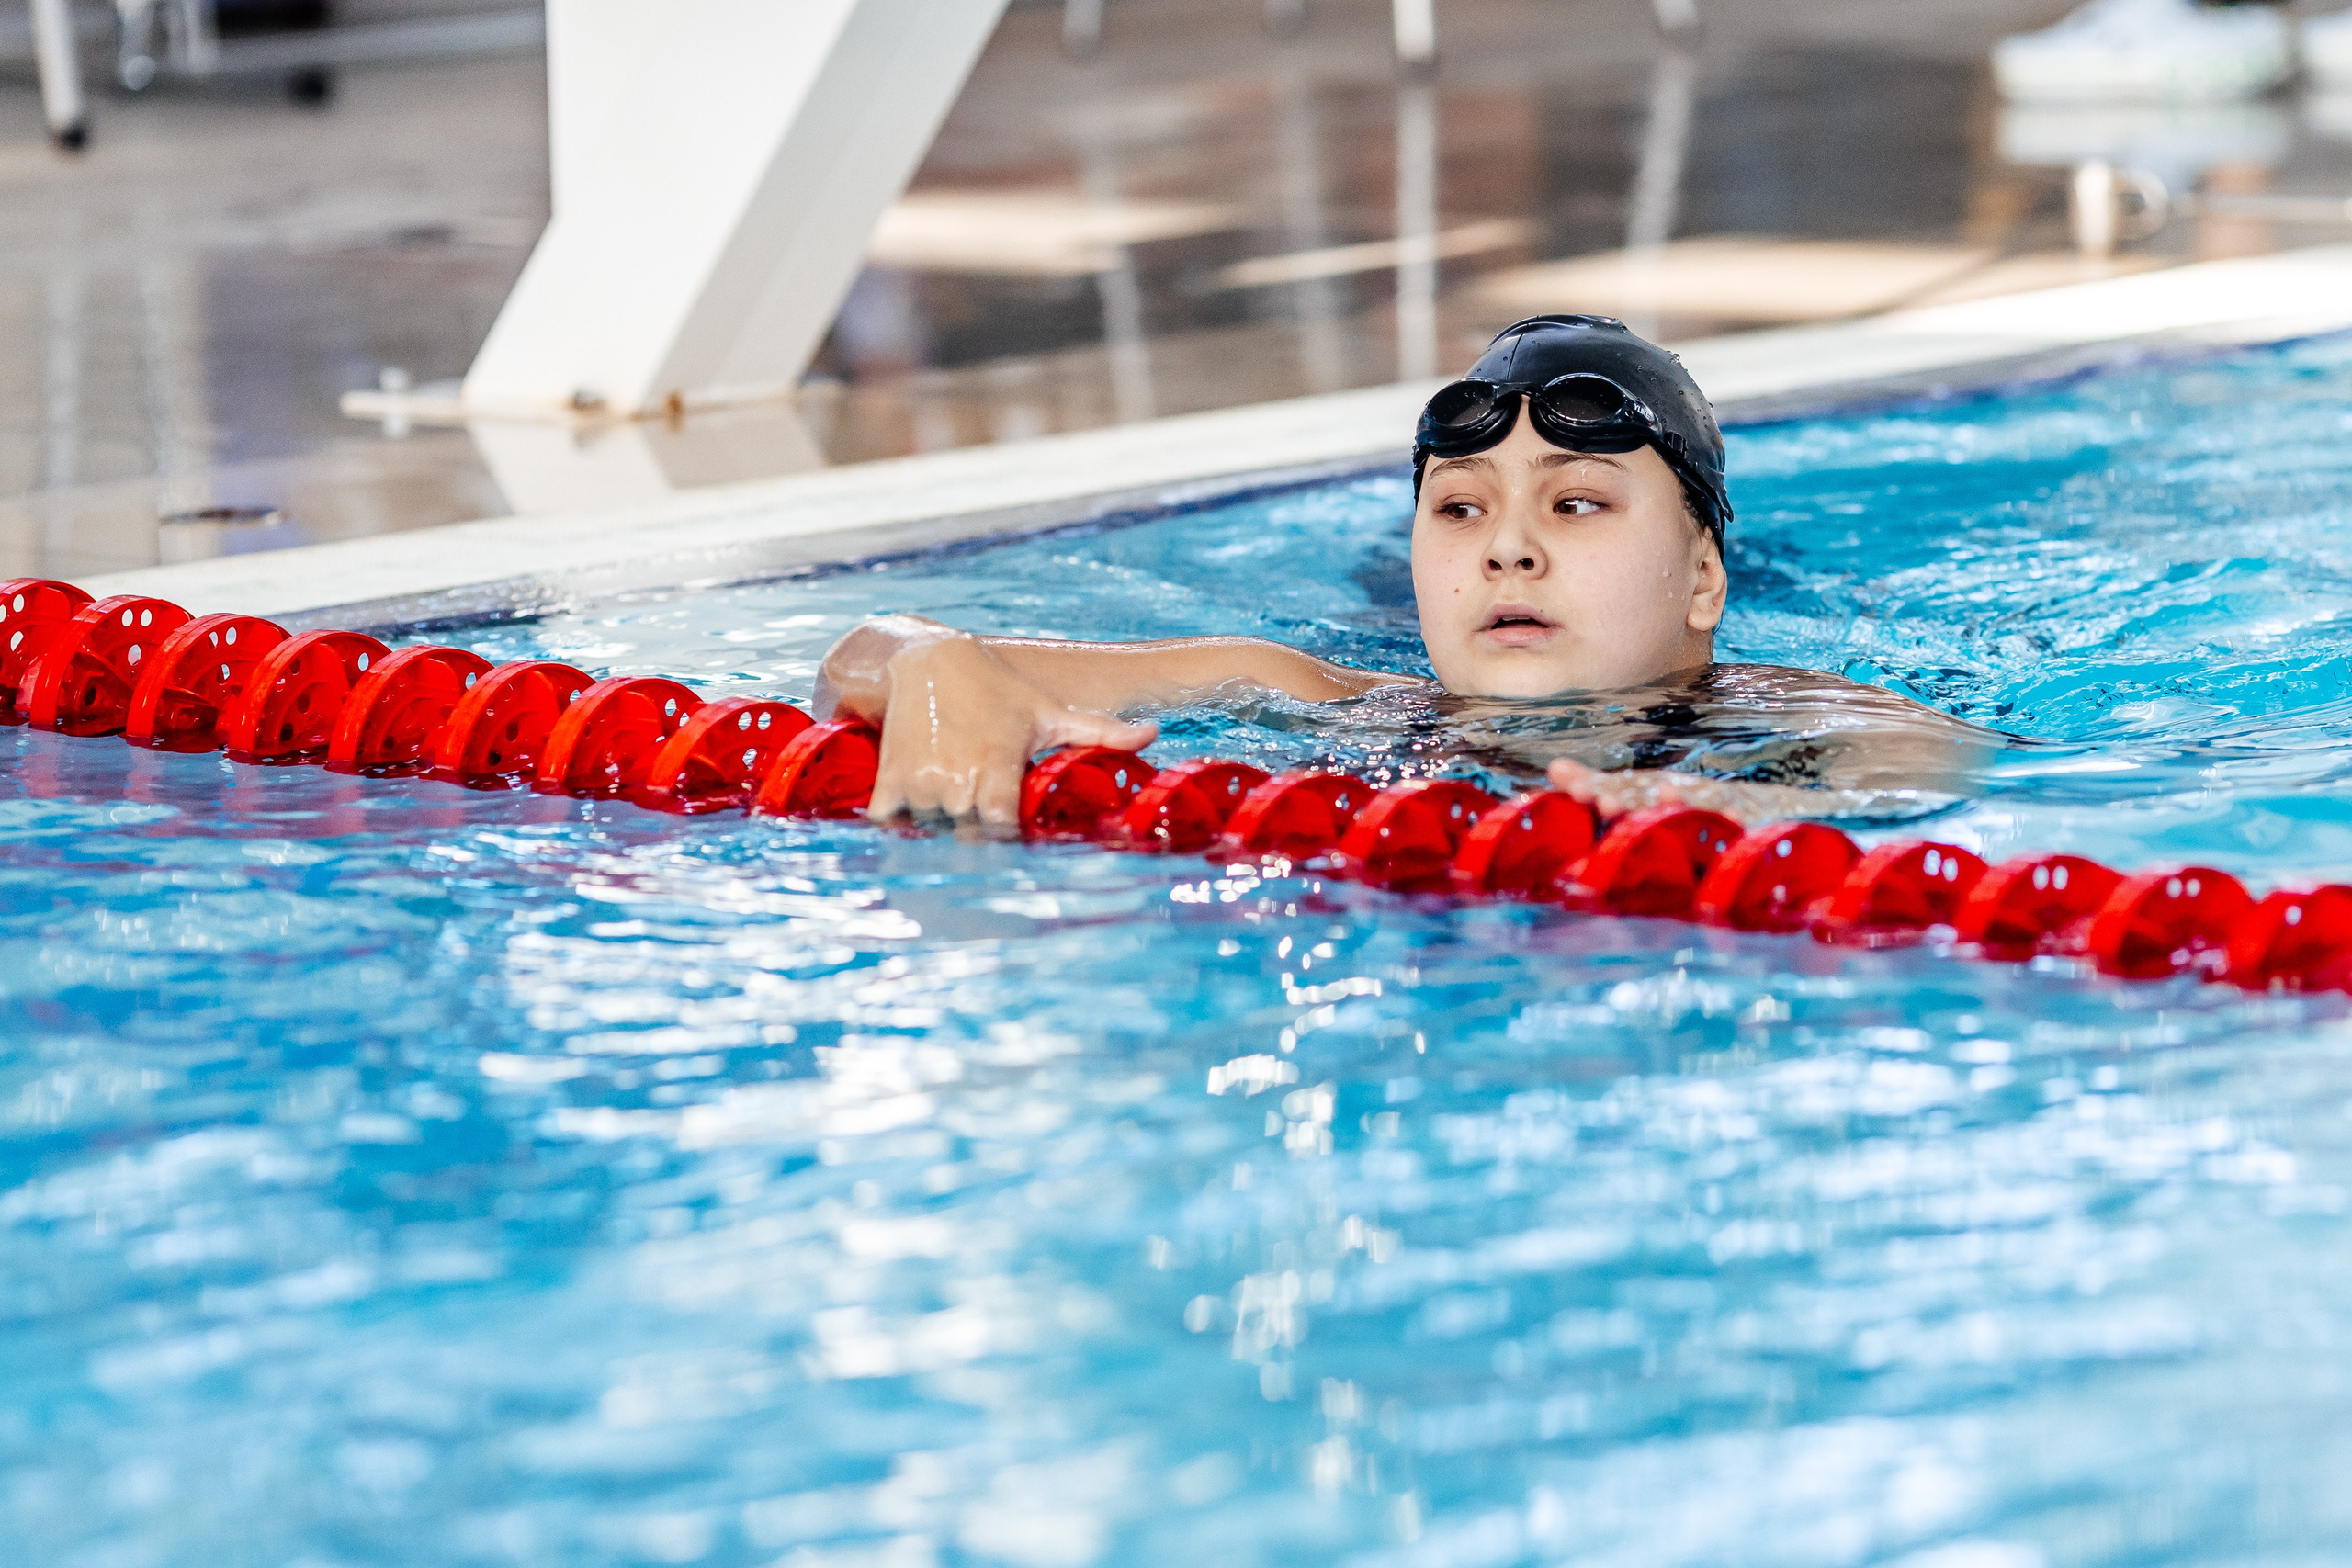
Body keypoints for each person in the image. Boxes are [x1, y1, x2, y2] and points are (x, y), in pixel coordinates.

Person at [815, 314, 1995, 829]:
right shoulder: (1314, 694)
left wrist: (1763, 806)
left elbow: (1931, 762)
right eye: (1460, 510)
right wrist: (937, 665)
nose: (1506, 547)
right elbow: (861, 651)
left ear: (1702, 581)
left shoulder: (1793, 712)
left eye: (1576, 504)